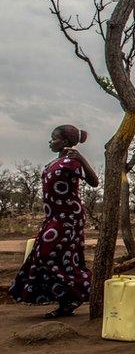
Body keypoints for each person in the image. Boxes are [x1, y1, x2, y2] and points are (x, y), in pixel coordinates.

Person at [9, 125, 99, 318]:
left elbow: (94, 182)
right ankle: (67, 300)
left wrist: (81, 158)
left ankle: (86, 290)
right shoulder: (55, 162)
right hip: (53, 217)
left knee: (49, 254)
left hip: (68, 218)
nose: (50, 141)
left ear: (65, 142)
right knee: (56, 257)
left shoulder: (71, 162)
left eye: (54, 138)